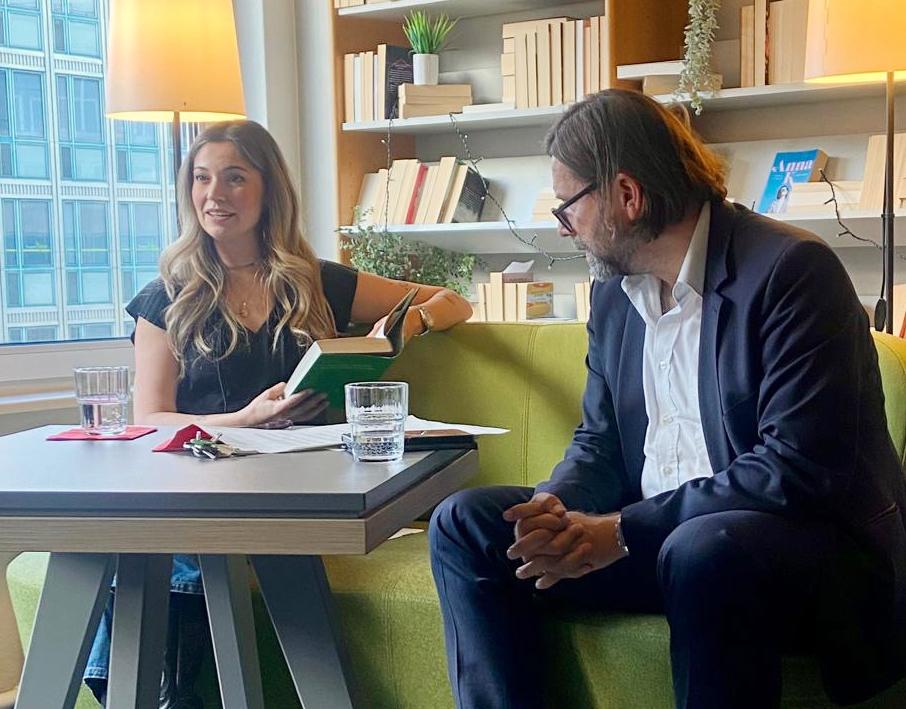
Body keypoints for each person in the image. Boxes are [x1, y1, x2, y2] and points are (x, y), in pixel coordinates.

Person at [429, 89, 906, 709]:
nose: (564, 227)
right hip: (660, 539)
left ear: (628, 196)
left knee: (703, 549)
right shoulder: (613, 296)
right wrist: (555, 508)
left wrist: (622, 529)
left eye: (568, 207)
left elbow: (797, 470)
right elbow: (600, 441)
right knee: (465, 524)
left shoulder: (791, 272)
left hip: (795, 556)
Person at [83, 119, 472, 707]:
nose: (215, 195)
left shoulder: (318, 282)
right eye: (202, 178)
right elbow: (152, 417)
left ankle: (157, 692)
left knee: (167, 548)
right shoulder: (166, 297)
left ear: (269, 190)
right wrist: (243, 419)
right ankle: (163, 694)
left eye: (235, 178)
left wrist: (405, 325)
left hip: (307, 481)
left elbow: (455, 301)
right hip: (206, 476)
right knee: (167, 542)